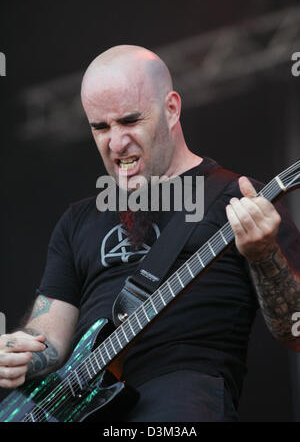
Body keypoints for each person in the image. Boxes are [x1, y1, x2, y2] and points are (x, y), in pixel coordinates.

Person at [0, 45, 300, 422]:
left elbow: (295, 331)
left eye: (130, 121)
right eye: (101, 127)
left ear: (172, 109)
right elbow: (50, 339)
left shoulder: (240, 199)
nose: (116, 143)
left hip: (183, 399)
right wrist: (17, 352)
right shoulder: (78, 219)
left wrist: (264, 253)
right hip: (82, 410)